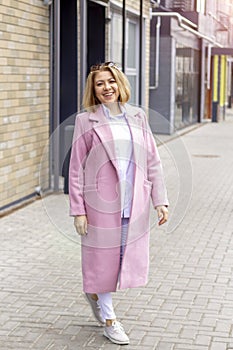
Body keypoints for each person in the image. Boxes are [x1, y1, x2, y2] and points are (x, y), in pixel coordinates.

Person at [69, 61, 169, 345]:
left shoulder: (137, 116)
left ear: (120, 84)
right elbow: (76, 168)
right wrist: (78, 210)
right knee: (102, 262)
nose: (106, 88)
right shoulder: (85, 120)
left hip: (133, 203)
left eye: (110, 82)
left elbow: (152, 161)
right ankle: (110, 321)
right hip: (99, 205)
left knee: (122, 260)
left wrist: (160, 201)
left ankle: (95, 295)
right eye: (100, 83)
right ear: (94, 89)